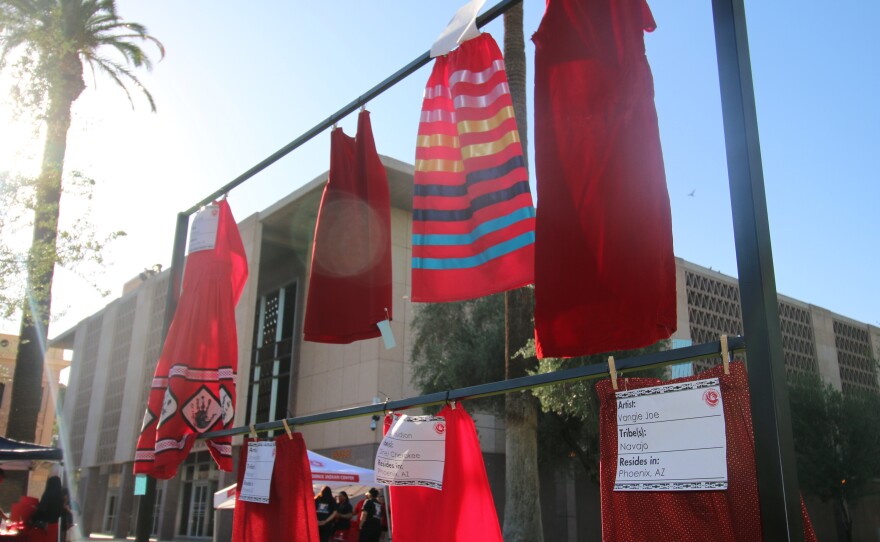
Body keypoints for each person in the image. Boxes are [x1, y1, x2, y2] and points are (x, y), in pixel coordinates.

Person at [27, 476, 64, 542]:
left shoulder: (48, 494)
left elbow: (42, 509)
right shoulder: (60, 497)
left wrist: (32, 517)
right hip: (54, 525)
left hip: (44, 525)